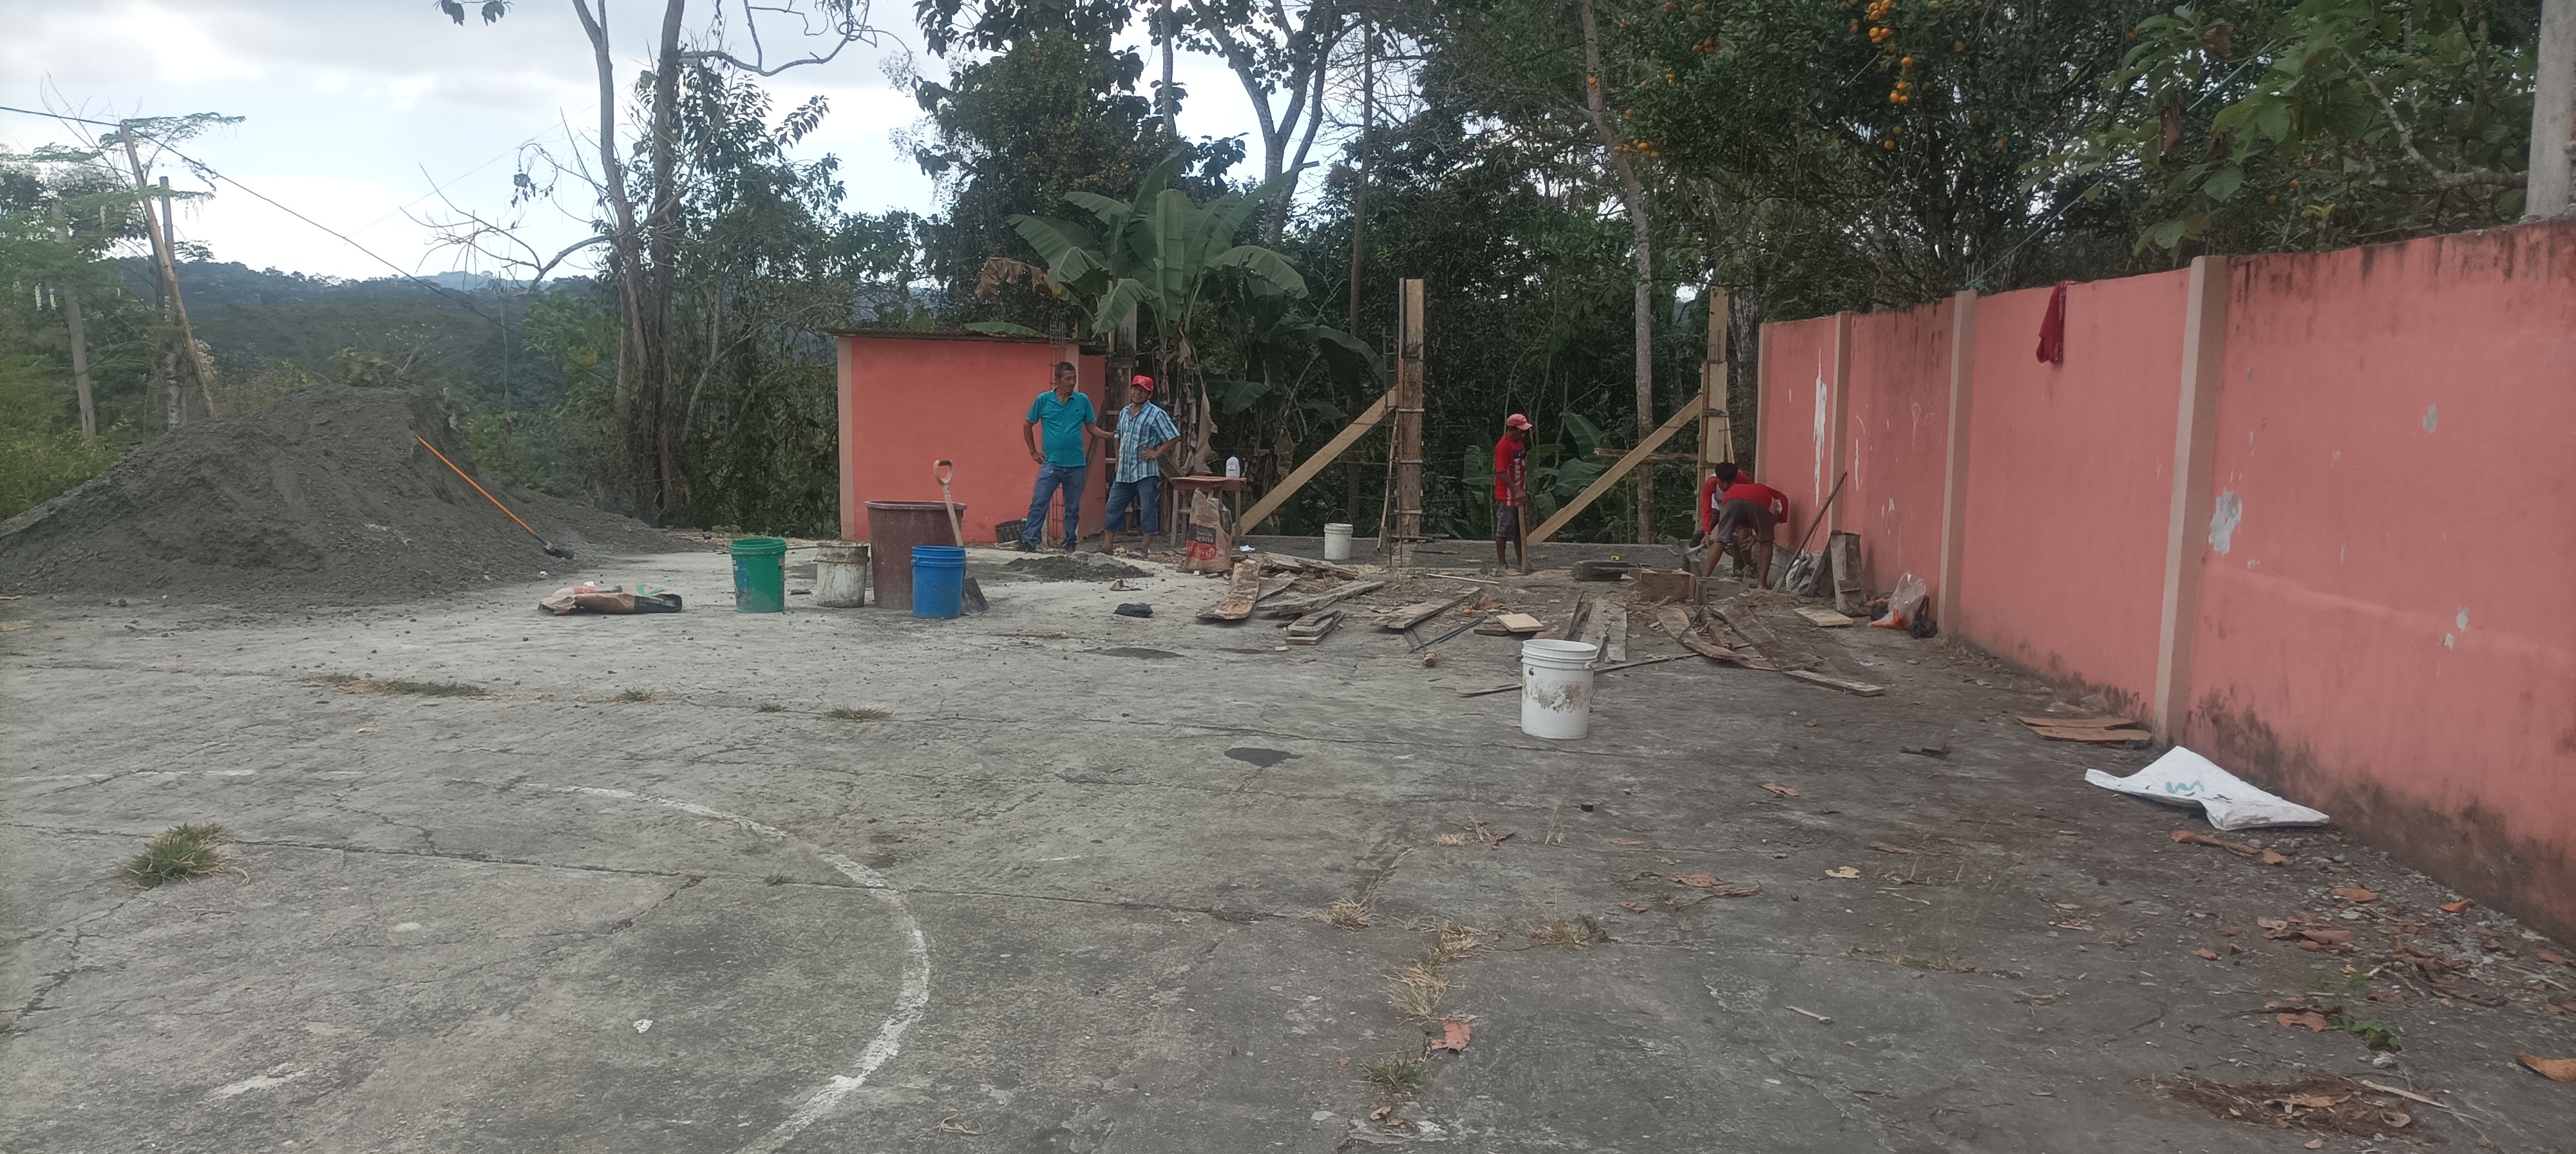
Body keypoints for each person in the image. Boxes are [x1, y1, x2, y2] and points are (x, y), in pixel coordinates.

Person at [1019, 361, 1104, 552]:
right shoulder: (1043, 400)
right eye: (1068, 379)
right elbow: (1027, 424)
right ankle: (1029, 541)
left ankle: (1070, 542)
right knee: (1040, 501)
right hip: (1051, 463)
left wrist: (1109, 435)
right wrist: (1033, 452)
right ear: (1057, 380)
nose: (1072, 382)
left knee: (1072, 507)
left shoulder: (1082, 400)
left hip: (1076, 464)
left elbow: (1092, 428)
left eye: (1074, 378)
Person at [1103, 374, 1180, 556]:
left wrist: (1157, 453)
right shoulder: (1124, 412)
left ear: (1149, 394)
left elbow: (1174, 436)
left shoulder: (1156, 414)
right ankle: (1107, 547)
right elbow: (1118, 437)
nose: (1137, 393)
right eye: (1135, 389)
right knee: (1113, 507)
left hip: (1145, 470)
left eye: (1142, 390)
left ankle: (1144, 549)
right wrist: (1117, 460)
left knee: (1148, 509)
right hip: (1124, 471)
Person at [1701, 463, 1788, 587]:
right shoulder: (1780, 501)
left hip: (1731, 498)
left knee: (1720, 540)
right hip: (1756, 500)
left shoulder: (1743, 481)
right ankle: (1762, 584)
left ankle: (1704, 579)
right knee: (1767, 541)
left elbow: (1747, 512)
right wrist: (1706, 531)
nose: (1725, 486)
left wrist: (1754, 536)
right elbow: (1770, 523)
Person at [1493, 413, 1533, 573]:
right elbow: (1501, 472)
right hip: (1508, 495)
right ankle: (1502, 563)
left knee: (1519, 530)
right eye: (1521, 432)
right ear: (1512, 429)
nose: (1523, 435)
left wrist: (1523, 490)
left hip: (1519, 492)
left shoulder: (1520, 445)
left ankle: (1522, 560)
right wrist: (1516, 490)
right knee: (1504, 529)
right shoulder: (1503, 446)